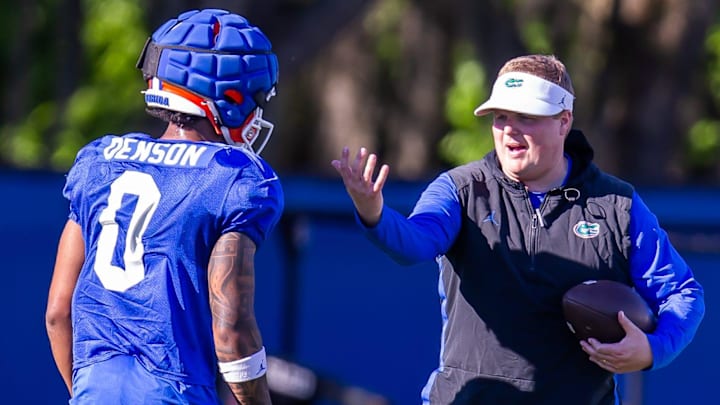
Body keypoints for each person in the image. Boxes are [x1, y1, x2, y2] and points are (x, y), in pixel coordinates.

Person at [331, 54, 705, 404]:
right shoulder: (461, 189)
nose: (510, 131)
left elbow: (682, 292)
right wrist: (374, 212)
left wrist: (653, 349)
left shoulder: (616, 204)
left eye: (527, 117)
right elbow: (414, 243)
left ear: (564, 121)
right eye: (500, 118)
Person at [45, 9, 282, 405]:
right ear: (229, 95)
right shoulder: (235, 176)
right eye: (256, 98)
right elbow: (232, 330)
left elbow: (58, 312)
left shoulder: (97, 159)